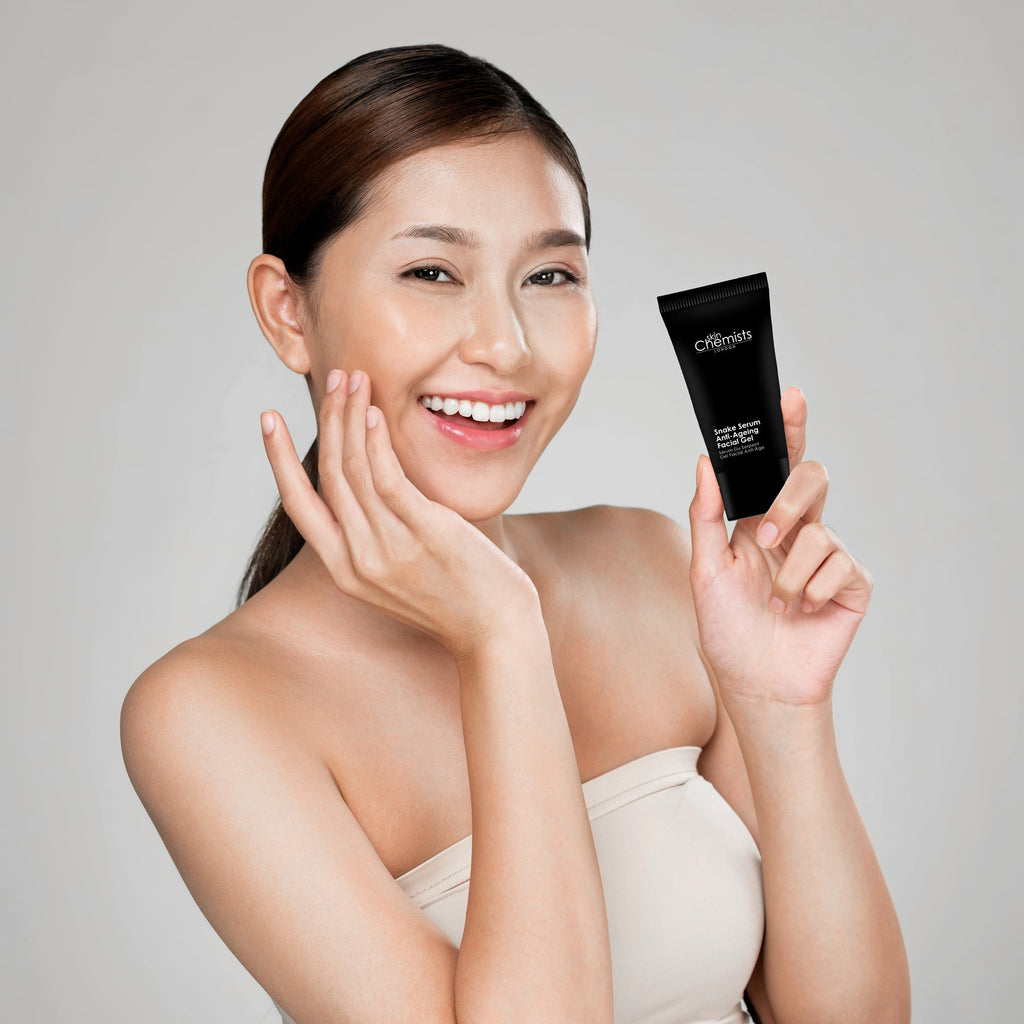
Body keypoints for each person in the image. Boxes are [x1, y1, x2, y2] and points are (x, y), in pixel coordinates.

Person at [120, 43, 910, 1024]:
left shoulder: (647, 562)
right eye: (431, 270)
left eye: (549, 275)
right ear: (288, 312)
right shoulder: (208, 711)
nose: (505, 344)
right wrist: (502, 637)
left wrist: (782, 708)